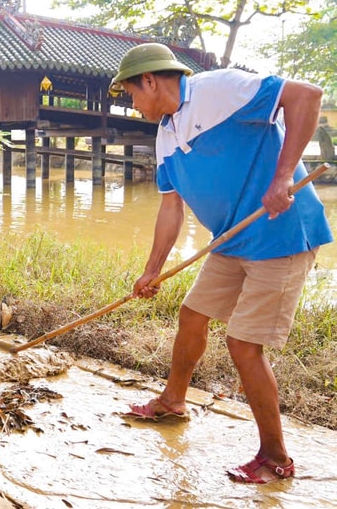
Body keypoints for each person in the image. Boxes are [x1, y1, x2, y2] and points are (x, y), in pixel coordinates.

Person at [109, 43, 332, 484]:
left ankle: (275, 458)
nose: (133, 105)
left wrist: (283, 177)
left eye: (132, 94)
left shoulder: (220, 88)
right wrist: (152, 268)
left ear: (150, 81)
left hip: (280, 235)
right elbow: (171, 208)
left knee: (243, 344)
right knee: (192, 315)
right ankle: (173, 401)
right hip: (231, 241)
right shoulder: (166, 133)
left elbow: (306, 95)